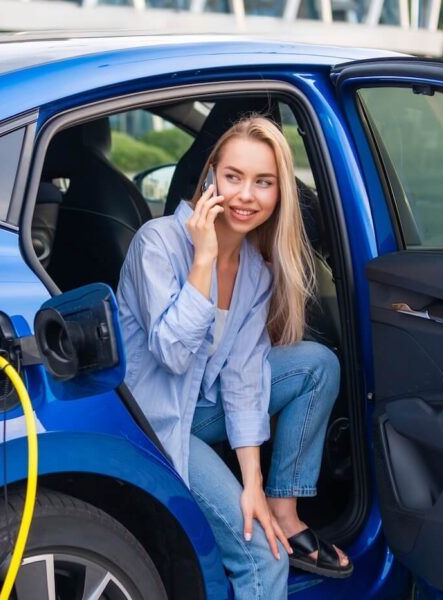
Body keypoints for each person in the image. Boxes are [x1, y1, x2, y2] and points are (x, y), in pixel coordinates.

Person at [116, 115, 352, 598]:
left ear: (279, 193)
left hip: (203, 407)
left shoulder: (254, 272)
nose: (246, 195)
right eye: (234, 177)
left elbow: (244, 381)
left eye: (263, 182)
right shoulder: (157, 243)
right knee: (263, 559)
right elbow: (174, 355)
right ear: (210, 179)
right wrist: (203, 261)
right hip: (158, 421)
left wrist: (253, 484)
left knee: (316, 364)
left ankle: (284, 510)